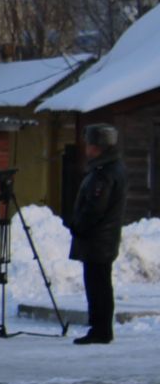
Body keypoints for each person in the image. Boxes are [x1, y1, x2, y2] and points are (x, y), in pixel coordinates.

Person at [66, 123, 126, 345]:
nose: (87, 149)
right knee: (100, 283)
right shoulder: (108, 168)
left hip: (98, 239)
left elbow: (95, 207)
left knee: (97, 284)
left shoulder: (104, 173)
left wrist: (79, 226)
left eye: (90, 144)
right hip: (103, 238)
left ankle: (100, 329)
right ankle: (100, 328)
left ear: (98, 147)